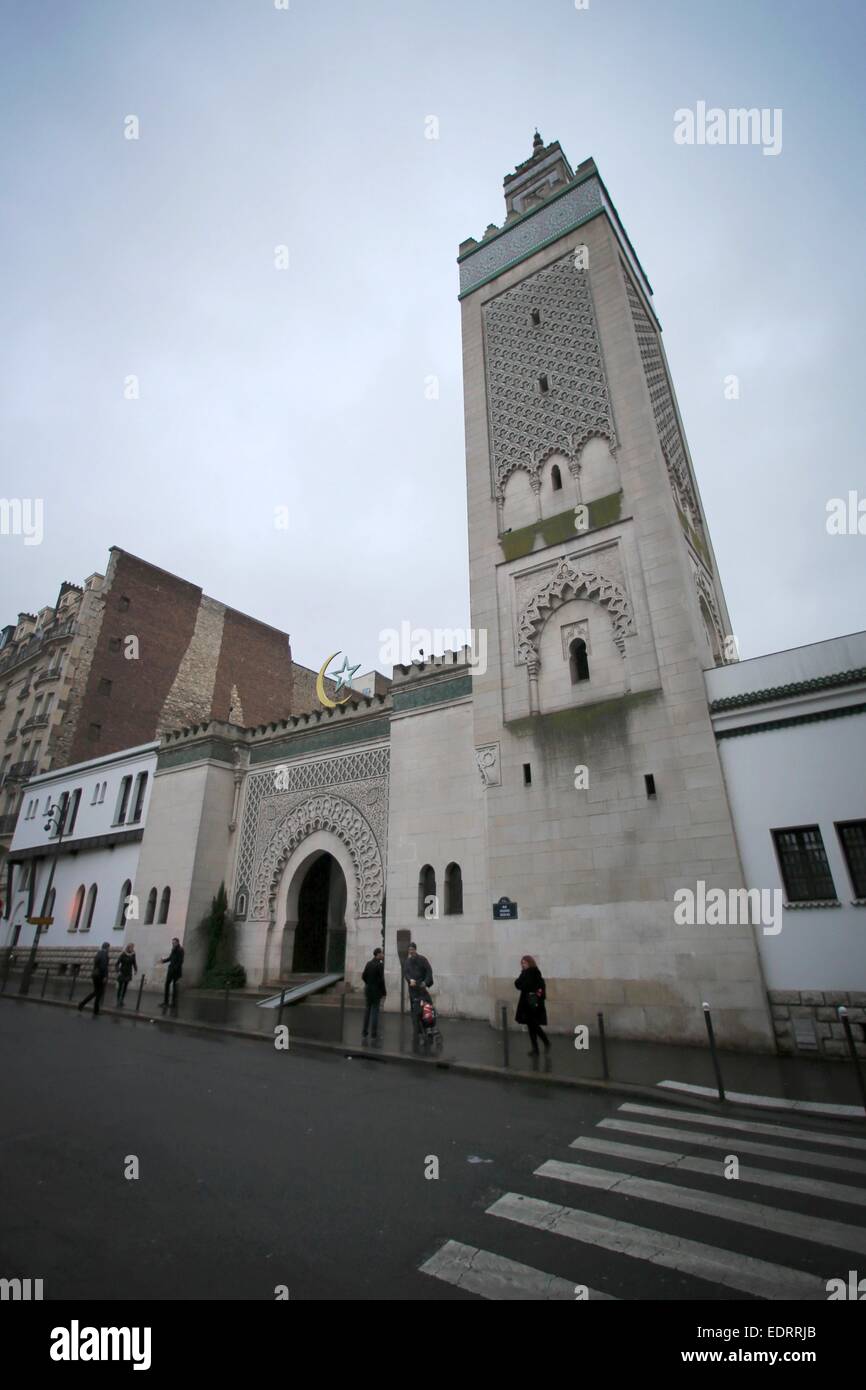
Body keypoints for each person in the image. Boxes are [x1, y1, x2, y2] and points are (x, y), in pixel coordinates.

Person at [515, 954, 550, 1055]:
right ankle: (536, 1049)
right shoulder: (524, 973)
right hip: (526, 1003)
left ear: (530, 963)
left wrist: (527, 987)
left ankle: (545, 1042)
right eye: (522, 963)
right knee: (531, 1026)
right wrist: (524, 984)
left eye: (525, 963)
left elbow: (536, 986)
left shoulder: (535, 972)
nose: (523, 965)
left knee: (533, 1025)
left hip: (533, 1002)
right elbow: (517, 984)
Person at [404, 942, 433, 1038]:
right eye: (409, 950)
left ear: (415, 950)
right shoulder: (407, 962)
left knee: (426, 1008)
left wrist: (426, 982)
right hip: (413, 991)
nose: (411, 951)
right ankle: (417, 1030)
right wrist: (409, 980)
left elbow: (429, 971)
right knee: (414, 1011)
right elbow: (406, 973)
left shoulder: (422, 959)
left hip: (421, 989)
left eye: (412, 949)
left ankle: (428, 1028)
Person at [361, 946, 386, 1041]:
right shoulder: (380, 965)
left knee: (367, 1011)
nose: (383, 955)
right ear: (378, 954)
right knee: (375, 1012)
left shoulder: (368, 963)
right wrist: (383, 992)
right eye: (381, 953)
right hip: (376, 991)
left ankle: (364, 1032)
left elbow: (363, 976)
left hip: (368, 990)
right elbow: (381, 980)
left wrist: (369, 983)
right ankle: (374, 1033)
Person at [78, 942, 111, 1015]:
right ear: (107, 947)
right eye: (109, 947)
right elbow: (103, 966)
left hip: (95, 974)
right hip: (100, 976)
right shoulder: (104, 955)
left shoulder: (98, 953)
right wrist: (105, 976)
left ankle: (92, 1008)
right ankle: (84, 1005)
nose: (109, 949)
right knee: (98, 992)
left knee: (97, 992)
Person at [161, 938, 184, 1007]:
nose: (173, 944)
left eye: (174, 943)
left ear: (177, 942)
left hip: (176, 972)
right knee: (167, 985)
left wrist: (174, 968)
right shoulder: (173, 949)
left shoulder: (180, 950)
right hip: (171, 971)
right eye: (172, 943)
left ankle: (173, 1003)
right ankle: (166, 1002)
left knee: (174, 987)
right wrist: (163, 961)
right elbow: (170, 958)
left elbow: (180, 961)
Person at [115, 942, 138, 1006]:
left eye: (133, 947)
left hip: (128, 973)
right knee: (120, 987)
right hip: (122, 972)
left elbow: (134, 962)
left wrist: (136, 969)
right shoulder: (123, 954)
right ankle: (118, 1000)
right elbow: (117, 963)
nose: (132, 948)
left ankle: (122, 1000)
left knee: (125, 987)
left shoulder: (133, 954)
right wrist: (118, 970)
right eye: (131, 947)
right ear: (128, 947)